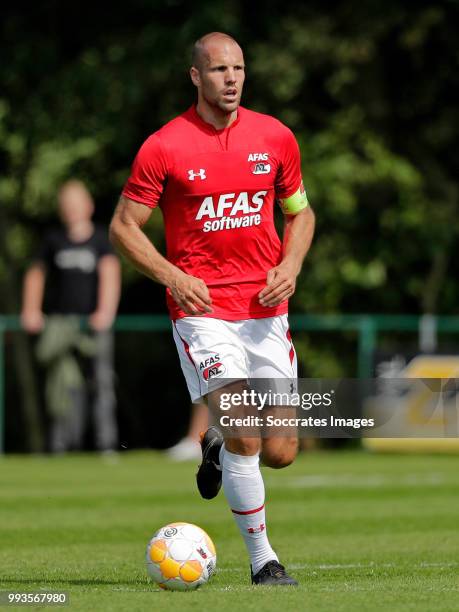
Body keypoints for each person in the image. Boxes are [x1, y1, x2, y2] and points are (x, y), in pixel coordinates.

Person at [109, 32, 315, 585]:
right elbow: (124, 228)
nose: (232, 78)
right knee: (249, 434)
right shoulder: (166, 146)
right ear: (196, 76)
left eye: (239, 68)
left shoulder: (274, 137)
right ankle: (263, 562)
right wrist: (173, 276)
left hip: (267, 313)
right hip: (202, 314)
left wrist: (291, 265)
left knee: (281, 452)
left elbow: (301, 213)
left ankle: (216, 442)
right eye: (219, 69)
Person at [21, 180, 121, 453]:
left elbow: (110, 273)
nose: (72, 210)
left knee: (101, 382)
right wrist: (31, 310)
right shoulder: (53, 241)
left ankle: (106, 444)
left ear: (88, 206)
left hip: (93, 326)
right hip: (60, 326)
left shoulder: (101, 239)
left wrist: (105, 312)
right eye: (67, 206)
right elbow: (36, 275)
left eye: (77, 204)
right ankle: (62, 445)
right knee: (62, 386)